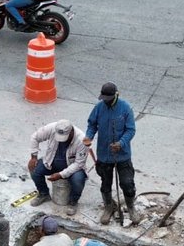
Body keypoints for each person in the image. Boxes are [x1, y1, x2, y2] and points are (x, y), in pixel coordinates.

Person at [84, 82, 140, 226]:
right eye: (104, 98)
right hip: (104, 153)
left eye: (108, 98)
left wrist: (121, 143)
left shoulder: (125, 108)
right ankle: (109, 206)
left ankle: (131, 207)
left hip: (122, 154)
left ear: (115, 95)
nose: (105, 101)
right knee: (105, 184)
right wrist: (89, 136)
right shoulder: (99, 108)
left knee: (127, 183)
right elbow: (92, 124)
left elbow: (130, 130)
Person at [27, 118, 87, 215]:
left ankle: (73, 201)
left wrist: (61, 174)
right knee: (35, 170)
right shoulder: (52, 128)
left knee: (78, 180)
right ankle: (44, 193)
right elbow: (35, 137)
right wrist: (33, 157)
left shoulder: (82, 139)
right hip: (51, 161)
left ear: (71, 132)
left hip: (72, 167)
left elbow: (79, 163)